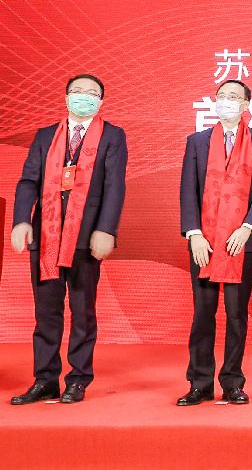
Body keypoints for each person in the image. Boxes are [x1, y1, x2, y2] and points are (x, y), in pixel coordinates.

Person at [9, 74, 127, 404]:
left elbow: (115, 185)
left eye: (91, 93)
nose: (83, 97)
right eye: (77, 91)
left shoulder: (112, 136)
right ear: (65, 97)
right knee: (46, 312)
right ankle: (45, 379)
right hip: (46, 234)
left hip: (86, 236)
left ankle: (78, 378)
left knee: (82, 310)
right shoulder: (46, 135)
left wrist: (106, 229)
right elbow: (28, 181)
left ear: (101, 101)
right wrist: (21, 220)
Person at [176, 79, 252, 406]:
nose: (227, 101)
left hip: (240, 241)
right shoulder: (198, 141)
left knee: (236, 315)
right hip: (203, 241)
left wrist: (247, 228)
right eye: (222, 96)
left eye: (234, 97)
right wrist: (193, 233)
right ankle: (199, 383)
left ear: (246, 105)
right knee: (203, 314)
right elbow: (188, 189)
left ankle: (233, 382)